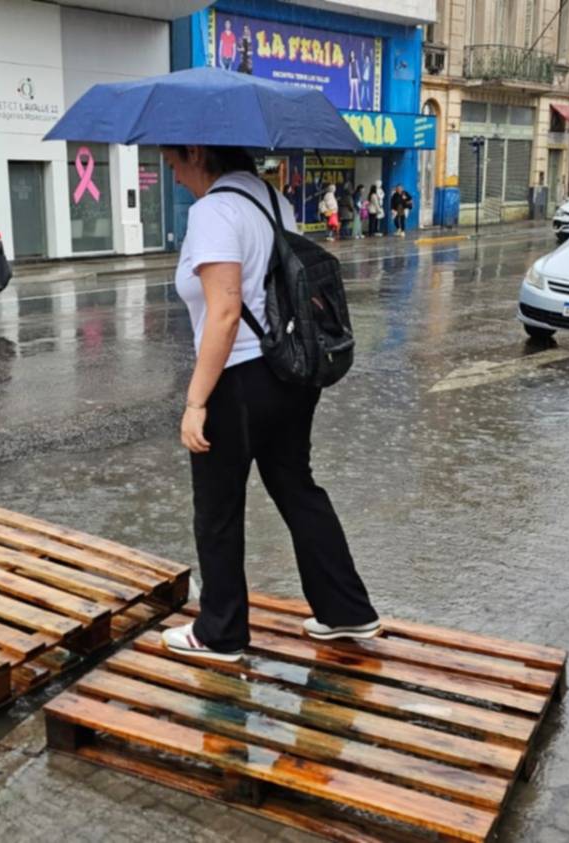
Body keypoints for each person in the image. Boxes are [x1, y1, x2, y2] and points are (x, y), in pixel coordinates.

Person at [156, 145, 381, 661]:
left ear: (197, 152)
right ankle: (346, 610)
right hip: (289, 372)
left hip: (237, 378)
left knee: (217, 509)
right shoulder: (270, 199)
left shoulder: (212, 211)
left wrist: (195, 402)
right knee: (296, 486)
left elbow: (226, 311)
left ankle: (220, 634)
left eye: (172, 159)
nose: (170, 169)